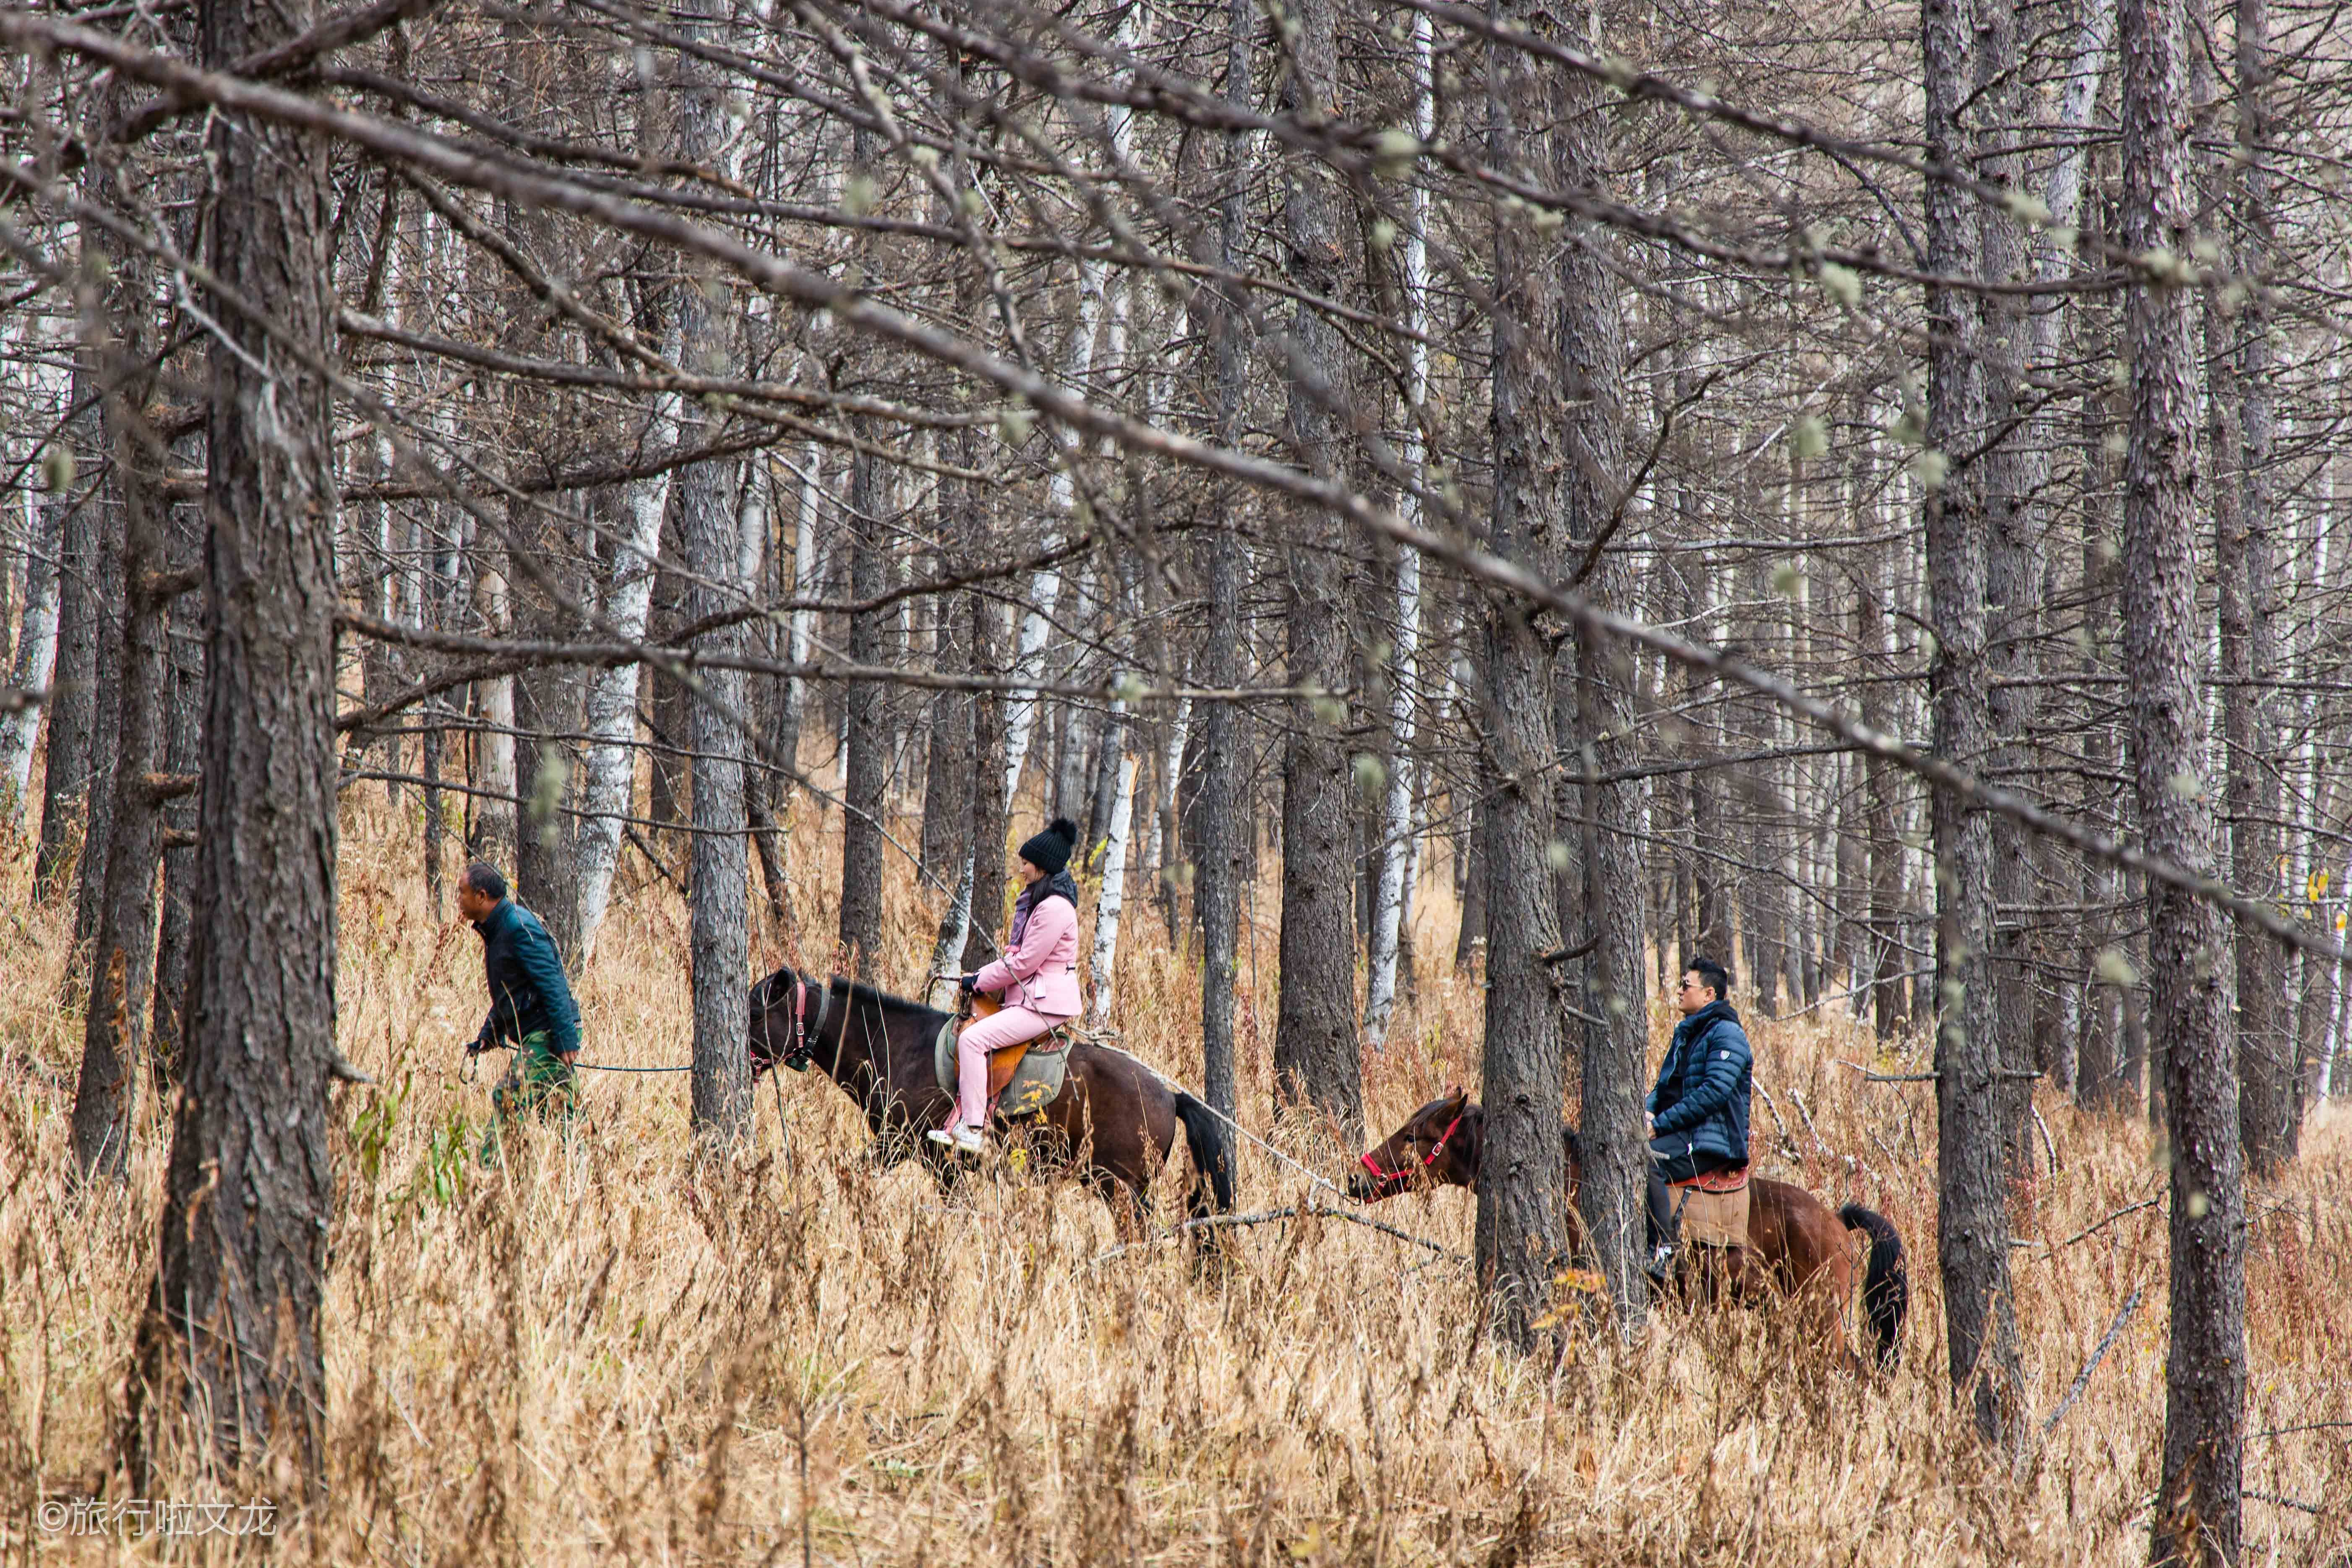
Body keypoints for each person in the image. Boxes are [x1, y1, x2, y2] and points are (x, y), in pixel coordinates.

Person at [932, 817, 1082, 1154]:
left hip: (1043, 1006)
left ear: (1042, 867)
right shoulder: (1039, 903)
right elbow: (1017, 959)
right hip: (1031, 999)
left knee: (972, 1040)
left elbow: (1023, 963)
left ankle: (973, 1128)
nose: (1022, 869)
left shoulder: (1054, 909)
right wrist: (979, 977)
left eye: (1026, 863)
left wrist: (979, 979)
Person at [456, 860, 584, 1161]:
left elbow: (553, 982)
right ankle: (582, 1179)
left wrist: (565, 1039)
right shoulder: (498, 928)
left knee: (507, 1095)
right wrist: (489, 1034)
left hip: (548, 1034)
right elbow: (511, 992)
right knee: (562, 1115)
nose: (458, 899)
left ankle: (486, 1178)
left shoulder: (516, 926)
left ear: (482, 896)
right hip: (542, 1032)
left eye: (461, 892)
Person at [1644, 955, 1752, 1281]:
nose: (1678, 990)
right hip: (1682, 1133)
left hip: (1707, 1142)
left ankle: (1663, 1247)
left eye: (1685, 985)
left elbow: (1713, 1094)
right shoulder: (1687, 1033)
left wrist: (1659, 1125)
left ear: (1709, 994)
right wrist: (1650, 1109)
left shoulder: (1727, 1034)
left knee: (1645, 1156)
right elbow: (1665, 1086)